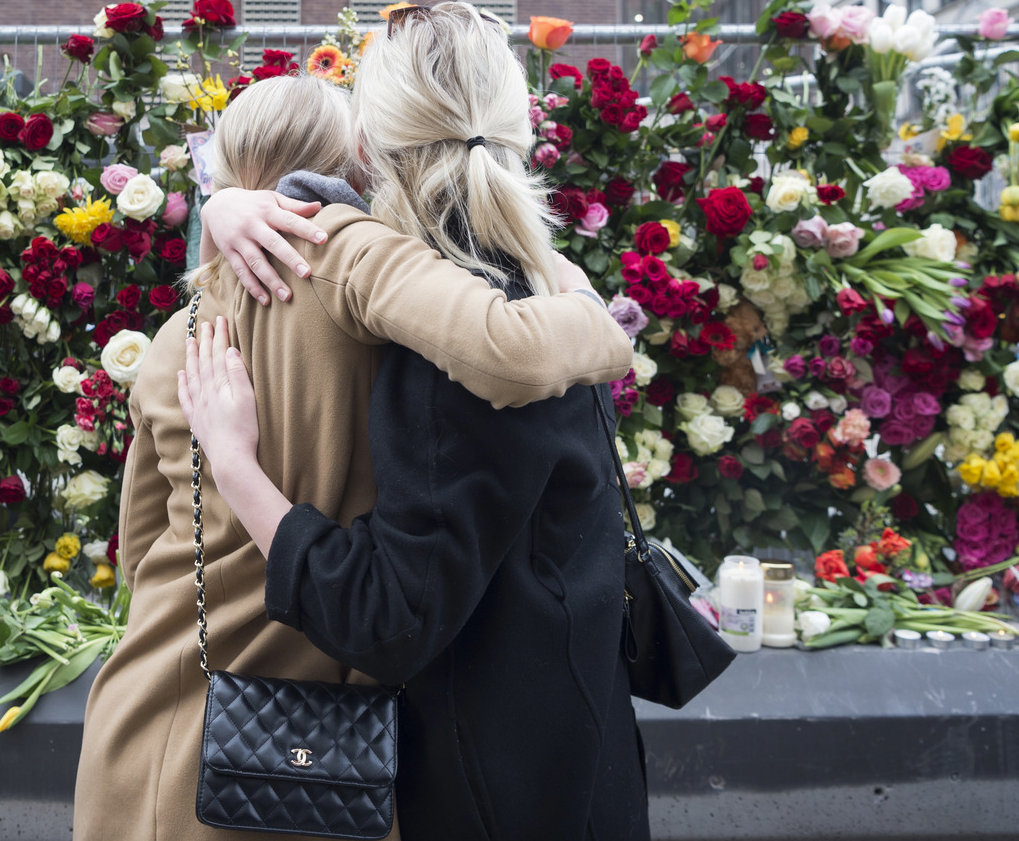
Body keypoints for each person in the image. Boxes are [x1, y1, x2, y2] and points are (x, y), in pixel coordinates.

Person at [74, 62, 632, 841]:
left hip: (144, 718)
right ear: (357, 163)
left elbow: (141, 552)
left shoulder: (179, 336)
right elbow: (508, 355)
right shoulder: (372, 284)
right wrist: (594, 312)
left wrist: (224, 204)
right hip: (295, 752)